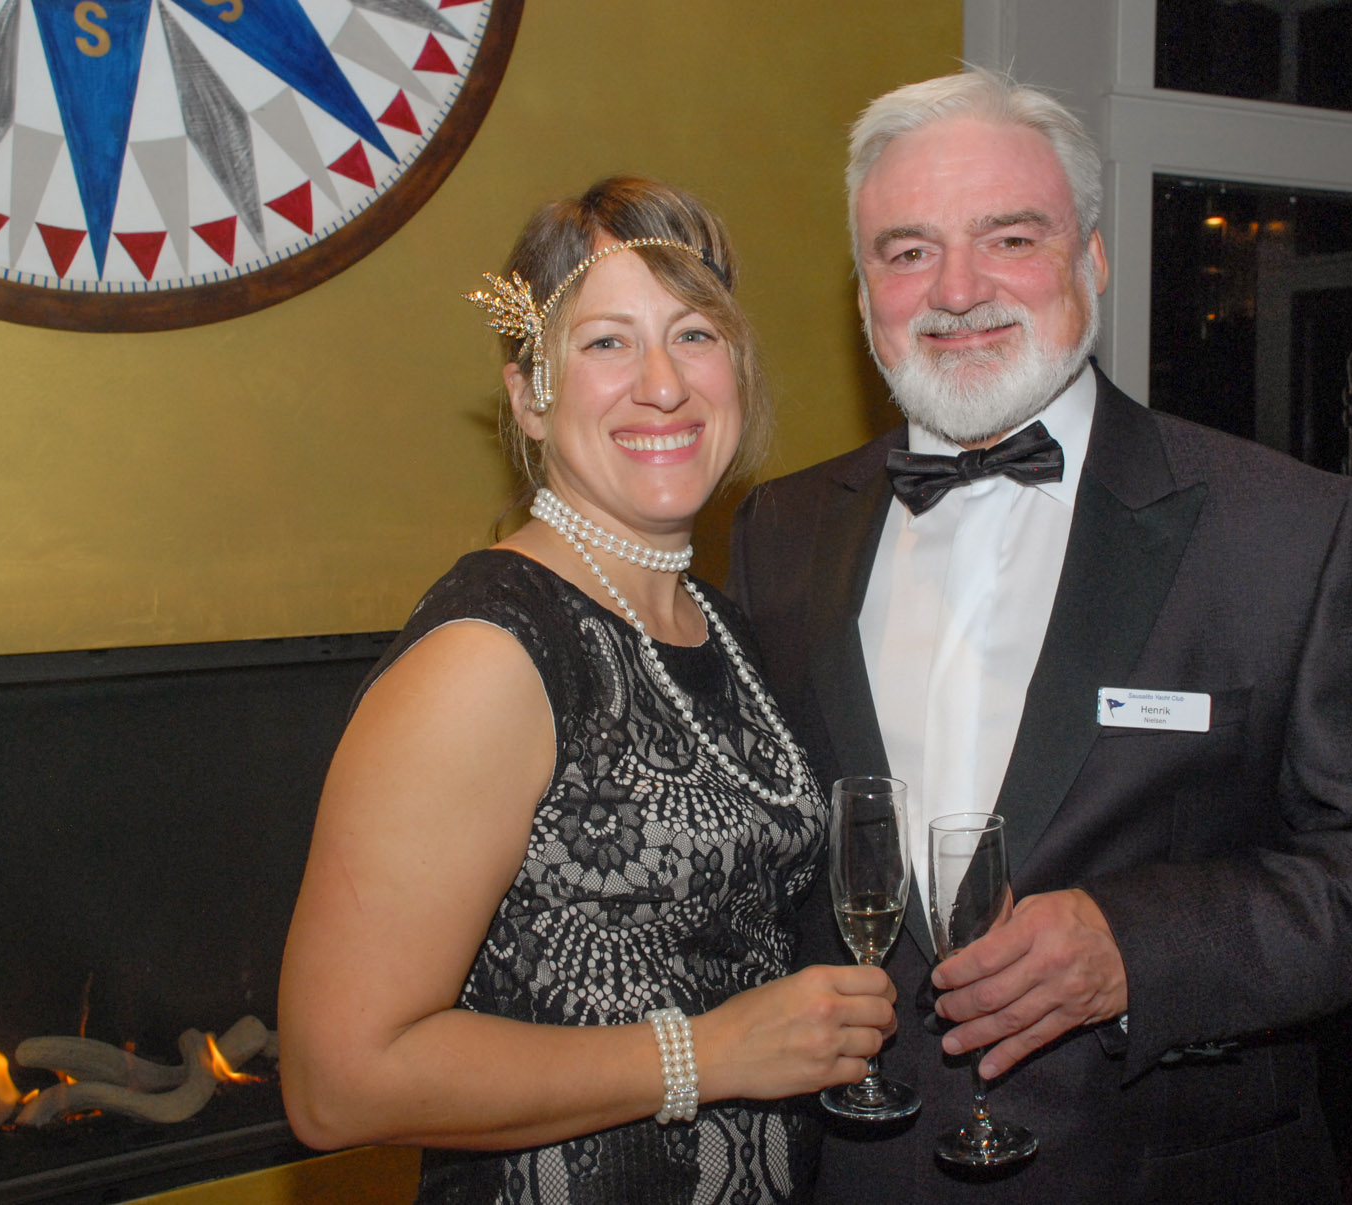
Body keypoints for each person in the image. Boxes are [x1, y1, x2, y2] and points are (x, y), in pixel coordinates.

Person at [727, 68, 1352, 1201]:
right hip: (855, 1172)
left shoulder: (1286, 529)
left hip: (1162, 1169)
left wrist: (1141, 947)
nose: (958, 290)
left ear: (1091, 259)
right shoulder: (780, 530)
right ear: (865, 289)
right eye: (908, 250)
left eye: (1010, 238)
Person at [279, 176, 896, 1204]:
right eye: (607, 341)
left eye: (694, 334)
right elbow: (338, 1081)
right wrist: (705, 1053)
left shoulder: (723, 626)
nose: (663, 384)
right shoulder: (490, 654)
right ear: (531, 393)